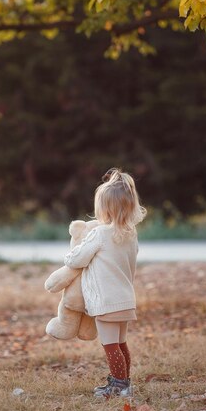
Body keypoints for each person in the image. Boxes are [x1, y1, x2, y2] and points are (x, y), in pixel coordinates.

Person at [64, 168, 146, 399]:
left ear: (104, 208)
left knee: (110, 346)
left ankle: (119, 386)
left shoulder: (99, 234)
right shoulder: (131, 235)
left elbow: (77, 258)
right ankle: (125, 383)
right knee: (121, 344)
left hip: (107, 302)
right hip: (125, 299)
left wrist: (69, 255)